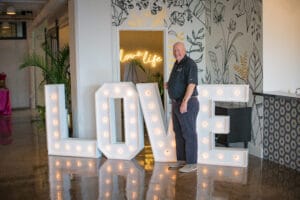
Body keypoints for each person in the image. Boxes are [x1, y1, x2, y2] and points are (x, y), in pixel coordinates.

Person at [166, 42, 199, 173]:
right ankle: (182, 160)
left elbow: (191, 84)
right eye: (174, 50)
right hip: (176, 103)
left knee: (189, 132)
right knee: (178, 132)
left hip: (187, 103)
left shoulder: (190, 64)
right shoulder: (177, 63)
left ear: (185, 50)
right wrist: (170, 85)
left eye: (178, 50)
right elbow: (180, 82)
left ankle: (192, 163)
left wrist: (185, 102)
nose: (176, 52)